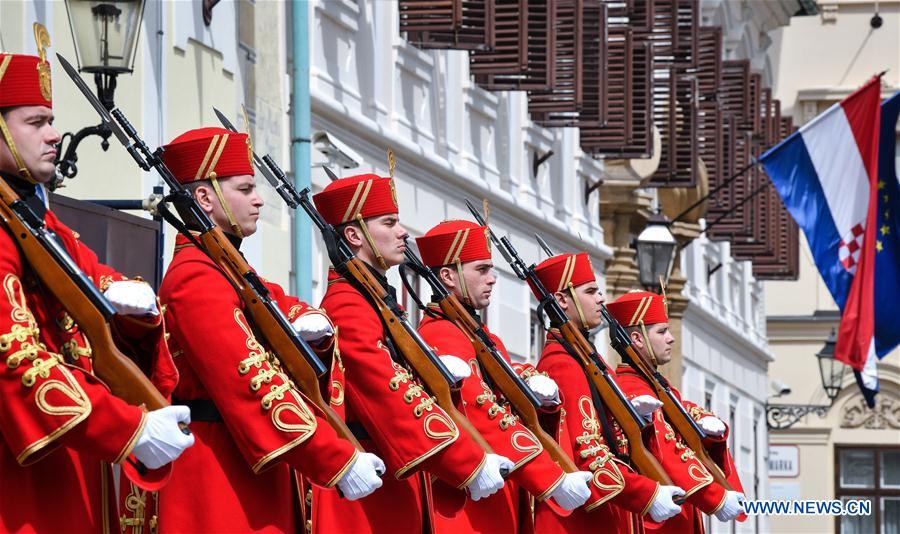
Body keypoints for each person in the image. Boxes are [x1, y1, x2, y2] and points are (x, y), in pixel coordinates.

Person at [0, 39, 192, 532]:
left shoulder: (34, 217)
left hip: (64, 454)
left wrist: (132, 299)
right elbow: (14, 354)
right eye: (36, 122)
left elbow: (86, 272)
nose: (55, 134)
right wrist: (127, 427)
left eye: (52, 121)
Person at [155, 127, 384, 533]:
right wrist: (336, 458)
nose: (259, 198)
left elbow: (273, 298)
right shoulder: (195, 277)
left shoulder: (228, 272)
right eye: (245, 188)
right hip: (220, 484)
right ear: (205, 198)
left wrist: (310, 323)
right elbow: (250, 380)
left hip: (253, 476)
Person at [313, 174, 508, 533]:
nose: (403, 232)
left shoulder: (377, 304)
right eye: (389, 222)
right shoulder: (349, 305)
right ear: (354, 235)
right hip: (373, 501)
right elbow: (390, 395)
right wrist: (468, 462)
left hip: (396, 488)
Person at [414, 219, 593, 532]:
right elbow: (480, 409)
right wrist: (550, 478)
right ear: (447, 276)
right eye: (481, 270)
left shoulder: (484, 337)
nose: (493, 279)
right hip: (468, 510)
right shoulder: (442, 334)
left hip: (501, 499)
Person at [531, 252, 687, 532]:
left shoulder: (588, 358)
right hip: (584, 519)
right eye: (590, 291)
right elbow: (589, 451)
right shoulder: (563, 363)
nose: (601, 298)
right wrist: (647, 493)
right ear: (562, 300)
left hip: (609, 507)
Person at [608, 290, 746, 532]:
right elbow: (666, 448)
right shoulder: (632, 388)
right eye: (662, 332)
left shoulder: (656, 384)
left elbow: (682, 415)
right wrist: (716, 497)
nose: (671, 338)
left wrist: (705, 421)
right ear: (638, 339)